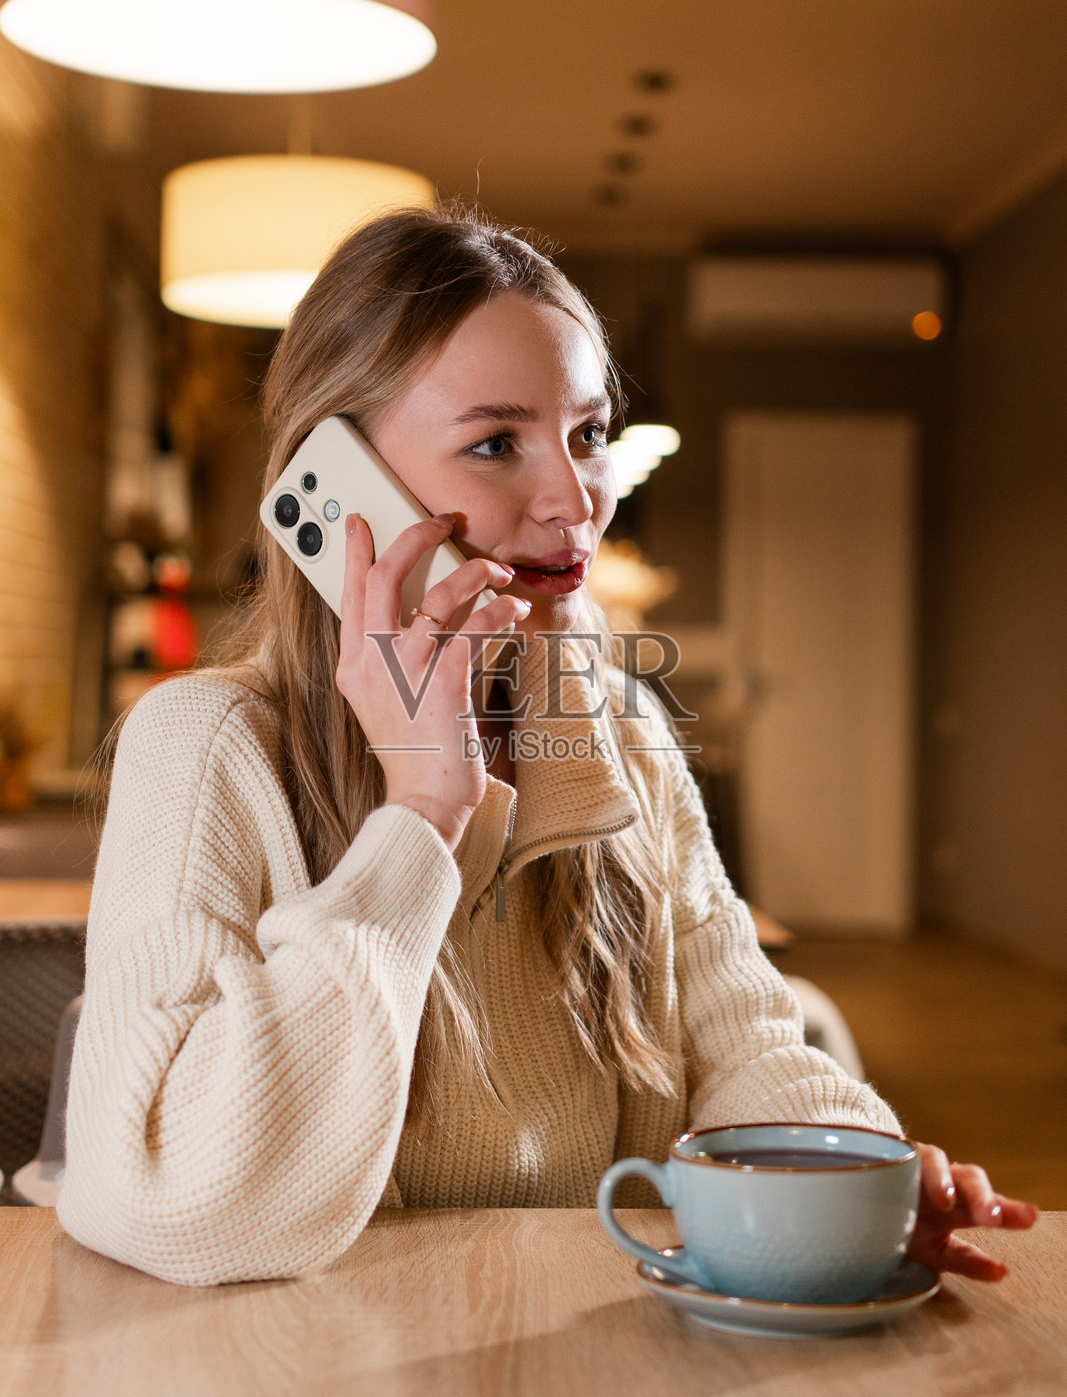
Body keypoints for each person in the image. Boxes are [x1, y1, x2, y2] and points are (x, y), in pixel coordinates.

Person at [59, 207, 1037, 1286]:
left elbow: (742, 1042)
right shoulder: (205, 746)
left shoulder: (613, 728)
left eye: (585, 434)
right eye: (494, 443)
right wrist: (422, 808)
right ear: (337, 488)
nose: (574, 500)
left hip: (567, 1380)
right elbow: (171, 1202)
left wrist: (864, 1179)